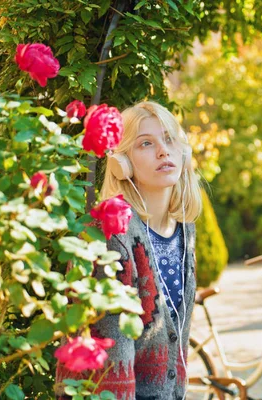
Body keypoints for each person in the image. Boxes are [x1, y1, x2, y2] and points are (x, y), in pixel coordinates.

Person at [55, 101, 202, 400]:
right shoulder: (112, 234)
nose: (163, 151)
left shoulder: (185, 231)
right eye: (146, 143)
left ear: (183, 154)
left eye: (169, 139)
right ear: (121, 162)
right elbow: (112, 355)